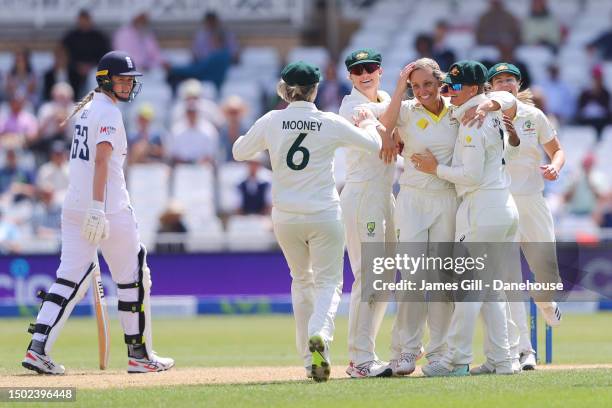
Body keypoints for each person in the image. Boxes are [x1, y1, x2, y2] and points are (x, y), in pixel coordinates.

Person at [21, 50, 174, 375]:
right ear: (106, 80)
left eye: (130, 80)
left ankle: (38, 348)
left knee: (67, 280)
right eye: (122, 80)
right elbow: (102, 161)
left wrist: (90, 208)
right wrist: (98, 209)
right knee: (133, 279)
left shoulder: (88, 109)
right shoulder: (108, 113)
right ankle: (139, 355)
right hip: (108, 209)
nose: (129, 85)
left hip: (74, 207)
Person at [232, 61, 384, 382]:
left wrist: (264, 135)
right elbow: (372, 145)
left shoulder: (273, 119)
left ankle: (308, 361)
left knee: (301, 281)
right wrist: (369, 121)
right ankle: (320, 333)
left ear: (286, 89)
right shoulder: (327, 121)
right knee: (329, 282)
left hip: (285, 217)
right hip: (324, 214)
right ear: (315, 89)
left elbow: (239, 152)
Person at [379, 58, 518, 377]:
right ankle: (408, 349)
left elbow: (508, 100)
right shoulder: (442, 108)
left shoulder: (464, 112)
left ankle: (446, 355)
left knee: (449, 283)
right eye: (416, 86)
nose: (424, 91)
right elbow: (385, 124)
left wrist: (488, 103)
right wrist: (399, 91)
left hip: (454, 199)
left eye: (431, 84)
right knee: (414, 278)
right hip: (416, 199)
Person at [489, 62, 565, 371]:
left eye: (510, 79)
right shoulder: (486, 117)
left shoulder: (535, 116)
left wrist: (555, 168)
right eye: (498, 80)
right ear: (490, 87)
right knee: (509, 281)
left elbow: (557, 150)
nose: (505, 84)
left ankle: (546, 304)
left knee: (547, 276)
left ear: (518, 85)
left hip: (533, 201)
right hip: (500, 202)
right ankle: (524, 350)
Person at [338, 48, 395, 378]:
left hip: (385, 194)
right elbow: (381, 135)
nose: (364, 74)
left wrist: (386, 112)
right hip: (361, 196)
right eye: (358, 71)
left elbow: (389, 119)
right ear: (350, 77)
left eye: (370, 67)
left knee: (385, 280)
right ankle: (360, 359)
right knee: (369, 276)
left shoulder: (384, 98)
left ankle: (367, 352)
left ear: (380, 70)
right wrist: (390, 113)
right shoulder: (350, 106)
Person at [61, 9, 110, 97]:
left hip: (95, 70)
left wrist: (91, 66)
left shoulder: (100, 37)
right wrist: (77, 66)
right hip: (74, 71)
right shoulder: (70, 37)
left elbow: (105, 56)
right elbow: (64, 55)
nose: (84, 22)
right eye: (81, 20)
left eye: (86, 19)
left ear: (90, 20)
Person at [575, 65, 611, 142]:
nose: (597, 80)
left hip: (602, 123)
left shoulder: (606, 93)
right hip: (587, 122)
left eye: (599, 77)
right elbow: (580, 110)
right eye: (595, 77)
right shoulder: (585, 93)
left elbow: (607, 110)